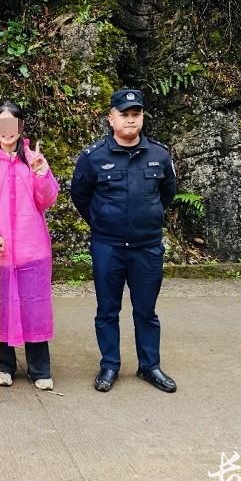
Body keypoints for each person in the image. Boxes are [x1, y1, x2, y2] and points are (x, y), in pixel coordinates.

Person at [69, 88, 177, 393]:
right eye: (124, 114)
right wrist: (102, 221)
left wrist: (147, 218)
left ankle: (150, 366)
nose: (130, 120)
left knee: (146, 311)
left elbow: (167, 194)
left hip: (147, 247)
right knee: (107, 310)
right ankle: (110, 365)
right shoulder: (93, 157)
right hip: (108, 247)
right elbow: (80, 196)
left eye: (136, 114)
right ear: (111, 118)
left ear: (142, 117)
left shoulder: (159, 154)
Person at [0, 101, 59, 390]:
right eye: (1, 124)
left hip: (32, 248)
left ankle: (39, 368)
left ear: (21, 126)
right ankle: (4, 365)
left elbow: (47, 200)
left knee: (35, 307)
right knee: (0, 306)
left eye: (12, 123)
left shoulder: (33, 159)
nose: (7, 130)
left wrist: (42, 174)